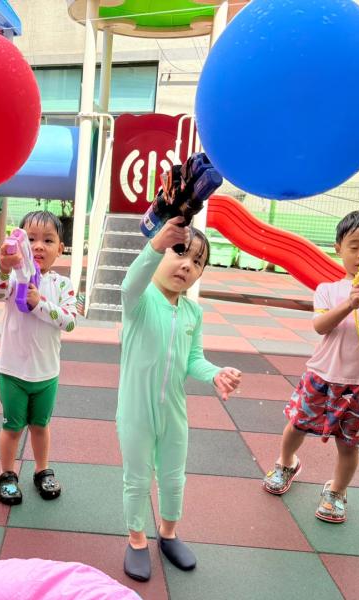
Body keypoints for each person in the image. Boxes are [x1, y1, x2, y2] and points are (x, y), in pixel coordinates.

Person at [263, 210, 359, 523]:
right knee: (297, 425)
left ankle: (336, 490)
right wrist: (349, 304)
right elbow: (320, 326)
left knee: (349, 444)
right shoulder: (328, 290)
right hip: (322, 375)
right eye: (354, 246)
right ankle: (287, 462)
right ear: (338, 249)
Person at [117, 217, 241, 581]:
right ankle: (136, 539)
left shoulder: (192, 313)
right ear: (162, 254)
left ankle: (168, 534)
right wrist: (155, 245)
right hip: (136, 411)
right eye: (180, 252)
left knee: (173, 478)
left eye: (197, 261)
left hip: (173, 411)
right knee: (138, 479)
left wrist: (215, 372)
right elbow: (129, 284)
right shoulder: (140, 301)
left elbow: (193, 359)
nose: (187, 265)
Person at [0, 211, 77, 505]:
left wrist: (40, 303)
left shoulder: (62, 284)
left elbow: (70, 321)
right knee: (12, 428)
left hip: (46, 373)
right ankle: (7, 474)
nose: (38, 246)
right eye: (30, 239)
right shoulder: (15, 277)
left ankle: (42, 471)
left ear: (60, 248)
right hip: (13, 371)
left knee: (40, 426)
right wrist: (4, 268)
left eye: (48, 240)